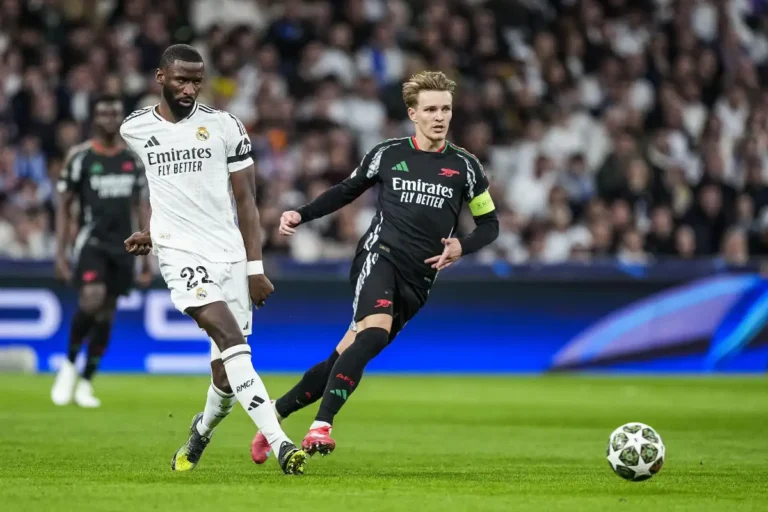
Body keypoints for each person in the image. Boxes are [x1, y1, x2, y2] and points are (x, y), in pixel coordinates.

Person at [250, 71, 499, 463]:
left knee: (344, 357)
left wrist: (461, 247)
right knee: (375, 333)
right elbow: (346, 191)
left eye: (446, 109)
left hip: (419, 279)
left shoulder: (466, 167)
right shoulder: (388, 153)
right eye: (431, 109)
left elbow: (490, 226)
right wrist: (302, 214)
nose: (440, 117)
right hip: (378, 256)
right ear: (413, 114)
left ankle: (273, 416)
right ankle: (321, 427)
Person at [120, 44, 306, 475]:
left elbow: (247, 201)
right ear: (160, 78)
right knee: (232, 340)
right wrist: (157, 233)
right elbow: (159, 186)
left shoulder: (224, 126)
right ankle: (281, 445)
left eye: (197, 81)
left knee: (225, 376)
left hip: (229, 255)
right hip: (180, 254)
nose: (190, 88)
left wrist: (254, 268)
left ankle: (201, 430)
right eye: (182, 80)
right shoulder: (135, 129)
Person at [51, 95, 151, 408]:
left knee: (107, 313)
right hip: (92, 242)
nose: (109, 118)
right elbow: (64, 207)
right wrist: (60, 253)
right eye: (103, 113)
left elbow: (143, 207)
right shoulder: (80, 157)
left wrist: (148, 256)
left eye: (115, 113)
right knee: (91, 299)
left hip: (125, 247)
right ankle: (68, 365)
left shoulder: (134, 159)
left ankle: (86, 382)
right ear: (94, 118)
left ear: (121, 118)